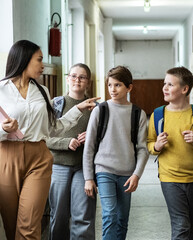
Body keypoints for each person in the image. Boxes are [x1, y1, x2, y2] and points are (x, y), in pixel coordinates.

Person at [0, 40, 98, 240]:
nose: (43, 65)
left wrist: (77, 109)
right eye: (39, 60)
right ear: (24, 60)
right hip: (8, 156)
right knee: (11, 222)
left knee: (29, 224)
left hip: (39, 157)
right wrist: (1, 129)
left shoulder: (43, 91)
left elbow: (53, 127)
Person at [147, 66, 193, 240]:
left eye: (170, 85)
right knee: (181, 224)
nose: (164, 88)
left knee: (192, 225)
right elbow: (149, 145)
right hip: (169, 178)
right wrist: (157, 146)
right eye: (164, 84)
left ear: (184, 89)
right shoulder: (158, 115)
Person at [83, 65, 149, 240]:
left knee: (122, 219)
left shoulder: (138, 114)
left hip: (127, 173)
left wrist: (137, 175)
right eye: (110, 85)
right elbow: (89, 146)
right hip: (104, 170)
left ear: (129, 87)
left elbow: (143, 149)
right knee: (110, 214)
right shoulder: (100, 110)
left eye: (118, 85)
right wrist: (88, 178)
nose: (112, 89)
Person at [47, 63, 96, 240]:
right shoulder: (55, 104)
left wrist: (91, 138)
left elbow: (103, 140)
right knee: (59, 215)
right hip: (58, 165)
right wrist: (66, 142)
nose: (77, 80)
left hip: (84, 168)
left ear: (88, 83)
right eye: (74, 76)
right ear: (67, 79)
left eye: (82, 77)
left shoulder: (95, 108)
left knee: (83, 215)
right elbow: (43, 137)